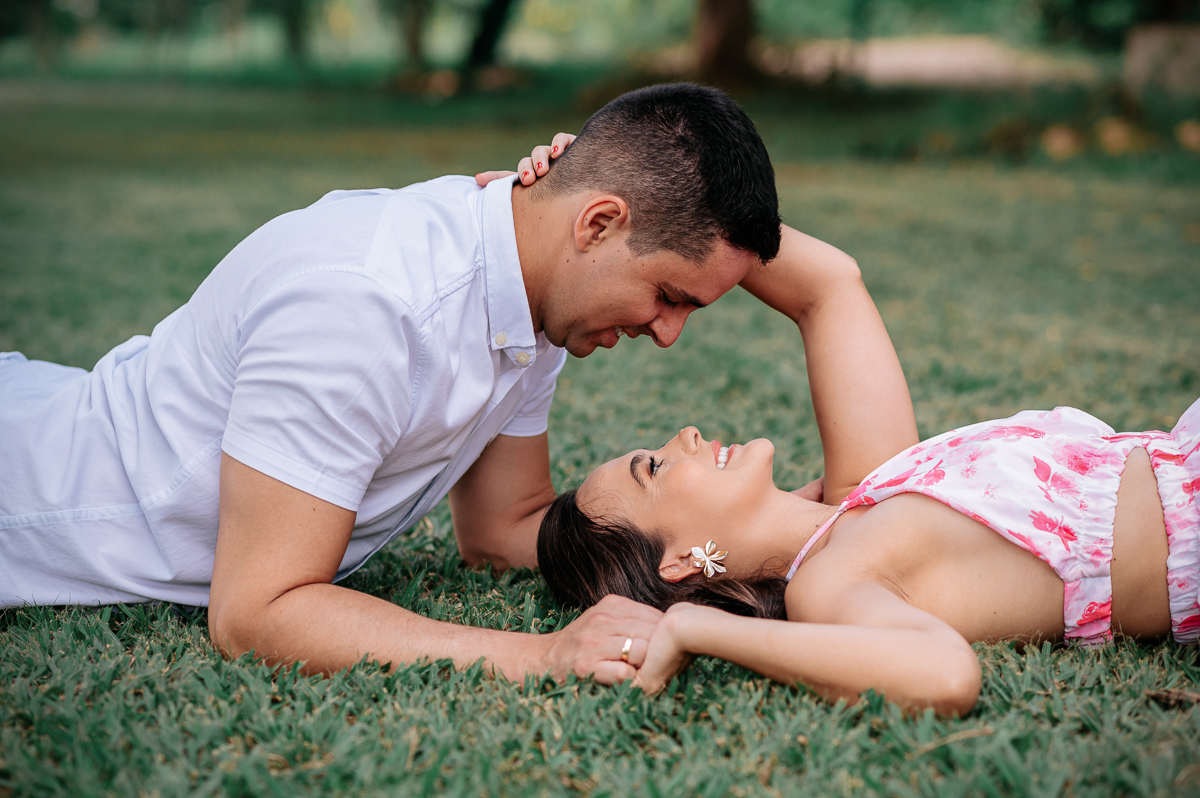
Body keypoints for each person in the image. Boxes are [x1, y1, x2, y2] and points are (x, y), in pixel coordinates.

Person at [0, 83, 887, 685]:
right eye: (667, 296)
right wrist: (537, 655)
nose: (667, 334)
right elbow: (256, 613)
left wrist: (777, 540)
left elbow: (505, 528)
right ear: (599, 222)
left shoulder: (533, 281)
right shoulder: (365, 305)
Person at [535, 259, 1200, 714]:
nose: (683, 434)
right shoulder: (828, 583)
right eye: (652, 466)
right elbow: (946, 676)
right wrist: (693, 627)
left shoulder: (864, 489)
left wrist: (619, 184)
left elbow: (828, 283)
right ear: (680, 561)